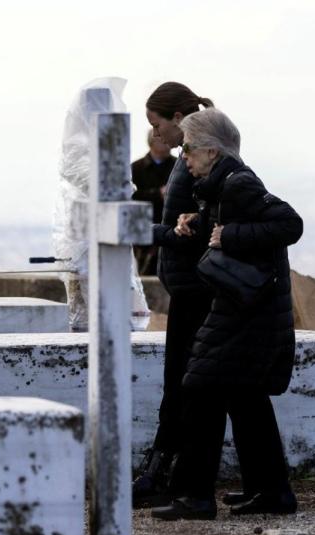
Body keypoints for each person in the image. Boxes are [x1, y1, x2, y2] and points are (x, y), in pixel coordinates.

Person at [151, 107, 303, 520]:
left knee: (199, 389)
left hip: (245, 313)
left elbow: (289, 224)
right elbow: (231, 227)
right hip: (246, 310)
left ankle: (194, 497)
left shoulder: (239, 183)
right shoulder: (223, 187)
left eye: (190, 151)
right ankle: (271, 492)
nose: (184, 158)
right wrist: (200, 224)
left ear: (212, 152)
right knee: (245, 397)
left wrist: (228, 234)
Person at [132, 82, 215, 504]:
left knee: (182, 383)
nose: (156, 135)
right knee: (178, 381)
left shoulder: (197, 162)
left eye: (158, 124)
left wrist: (151, 232)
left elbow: (198, 228)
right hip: (187, 286)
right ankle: (167, 471)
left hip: (196, 289)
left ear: (178, 119)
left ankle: (165, 473)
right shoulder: (186, 161)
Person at [130, 129, 174, 276]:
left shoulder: (180, 165)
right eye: (161, 139)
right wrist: (157, 194)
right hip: (144, 233)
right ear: (152, 142)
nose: (166, 142)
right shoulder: (134, 168)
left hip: (172, 228)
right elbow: (129, 197)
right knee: (145, 273)